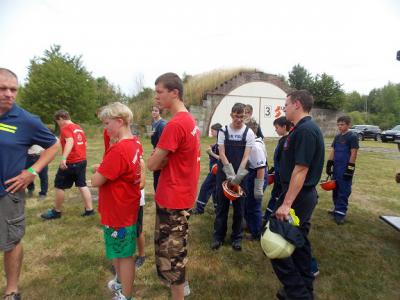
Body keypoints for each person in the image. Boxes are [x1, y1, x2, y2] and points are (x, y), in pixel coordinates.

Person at [0, 68, 59, 300]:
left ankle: (12, 290)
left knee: (11, 242)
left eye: (13, 89)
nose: (8, 94)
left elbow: (53, 145)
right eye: (2, 88)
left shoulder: (26, 120)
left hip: (7, 192)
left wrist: (32, 171)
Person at [147, 73, 200, 300]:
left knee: (171, 259)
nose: (156, 97)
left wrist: (156, 159)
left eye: (159, 92)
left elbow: (152, 164)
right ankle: (182, 287)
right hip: (183, 195)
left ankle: (179, 293)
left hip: (172, 198)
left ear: (174, 93)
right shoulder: (189, 120)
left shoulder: (175, 124)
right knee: (177, 250)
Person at [272, 90, 324, 300]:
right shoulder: (300, 129)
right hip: (297, 194)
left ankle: (297, 293)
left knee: (274, 241)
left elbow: (301, 170)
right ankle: (305, 288)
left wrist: (286, 204)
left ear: (297, 104)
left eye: (286, 104)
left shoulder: (306, 131)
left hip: (298, 197)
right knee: (299, 242)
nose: (284, 108)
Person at [91, 102, 141, 300]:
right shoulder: (135, 143)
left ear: (119, 121)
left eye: (106, 123)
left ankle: (125, 295)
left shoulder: (119, 150)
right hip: (125, 207)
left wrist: (99, 169)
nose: (105, 128)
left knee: (124, 254)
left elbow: (96, 181)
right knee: (118, 249)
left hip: (118, 211)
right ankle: (120, 282)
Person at [211, 102, 255, 251]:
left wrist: (238, 177)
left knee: (239, 207)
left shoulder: (249, 133)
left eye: (242, 116)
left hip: (241, 174)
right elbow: (221, 153)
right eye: (236, 116)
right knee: (222, 207)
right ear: (231, 115)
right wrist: (230, 174)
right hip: (224, 173)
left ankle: (237, 238)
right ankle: (218, 237)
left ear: (245, 116)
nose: (239, 119)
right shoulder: (223, 131)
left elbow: (246, 156)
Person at [41, 110, 94, 220]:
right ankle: (89, 210)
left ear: (60, 118)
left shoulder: (65, 128)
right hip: (82, 161)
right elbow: (85, 143)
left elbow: (70, 141)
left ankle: (56, 212)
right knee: (82, 185)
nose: (58, 123)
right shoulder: (78, 127)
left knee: (59, 185)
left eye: (57, 121)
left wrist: (63, 158)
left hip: (71, 162)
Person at [326, 115, 359, 225]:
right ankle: (336, 209)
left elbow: (354, 153)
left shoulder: (352, 137)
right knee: (335, 189)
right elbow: (333, 150)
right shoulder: (337, 137)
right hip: (336, 168)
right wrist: (329, 163)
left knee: (343, 191)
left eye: (342, 124)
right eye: (338, 125)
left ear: (348, 125)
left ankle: (340, 214)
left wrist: (350, 169)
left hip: (345, 168)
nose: (340, 127)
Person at [263, 116, 291, 222]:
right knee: (275, 194)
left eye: (277, 127)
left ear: (284, 127)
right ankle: (268, 215)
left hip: (282, 176)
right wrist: (273, 169)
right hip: (278, 173)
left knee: (277, 196)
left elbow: (285, 160)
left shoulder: (287, 141)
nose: (275, 130)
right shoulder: (282, 140)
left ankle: (270, 217)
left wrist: (278, 172)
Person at [243, 119, 268, 240]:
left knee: (254, 205)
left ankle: (257, 233)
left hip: (258, 175)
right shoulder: (252, 143)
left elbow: (261, 168)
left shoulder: (256, 146)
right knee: (248, 203)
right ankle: (250, 225)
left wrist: (258, 188)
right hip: (252, 172)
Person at [193, 123, 222, 214]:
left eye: (212, 130)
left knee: (206, 187)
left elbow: (222, 158)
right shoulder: (220, 141)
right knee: (215, 189)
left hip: (216, 169)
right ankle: (218, 209)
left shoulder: (222, 143)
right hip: (216, 170)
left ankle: (199, 209)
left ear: (218, 132)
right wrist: (213, 146)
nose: (211, 132)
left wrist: (210, 152)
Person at [150, 106, 167, 191]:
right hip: (155, 150)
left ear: (160, 112)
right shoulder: (153, 123)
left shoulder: (162, 124)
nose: (154, 112)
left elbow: (163, 141)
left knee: (158, 176)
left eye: (156, 111)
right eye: (153, 110)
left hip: (160, 153)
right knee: (155, 176)